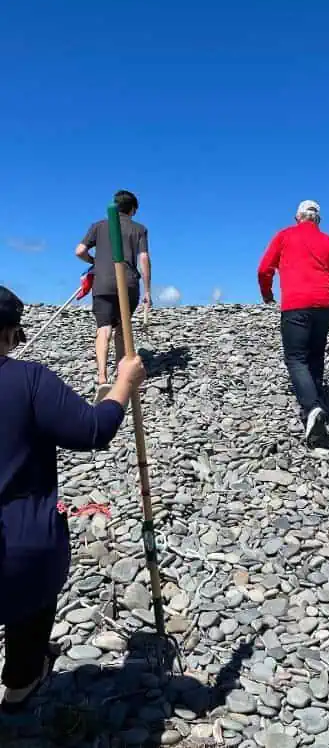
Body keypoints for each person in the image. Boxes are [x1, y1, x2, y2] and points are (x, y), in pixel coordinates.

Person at [0, 286, 145, 709]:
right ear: (9, 333)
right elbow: (93, 431)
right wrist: (124, 383)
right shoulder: (28, 379)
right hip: (22, 550)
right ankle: (22, 681)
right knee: (34, 572)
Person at [257, 200, 329, 448]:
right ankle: (317, 398)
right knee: (315, 354)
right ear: (317, 220)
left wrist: (267, 294)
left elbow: (264, 268)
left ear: (297, 217)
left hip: (296, 304)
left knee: (296, 358)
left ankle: (312, 407)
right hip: (325, 304)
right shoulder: (328, 241)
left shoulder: (284, 236)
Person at [75, 190, 151, 401]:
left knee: (103, 328)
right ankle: (122, 376)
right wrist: (148, 291)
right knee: (122, 328)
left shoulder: (99, 226)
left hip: (103, 282)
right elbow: (143, 258)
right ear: (133, 209)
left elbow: (79, 250)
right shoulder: (139, 229)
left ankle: (101, 378)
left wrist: (94, 263)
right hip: (128, 283)